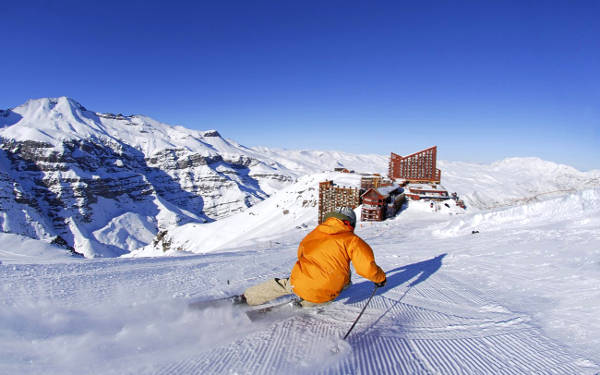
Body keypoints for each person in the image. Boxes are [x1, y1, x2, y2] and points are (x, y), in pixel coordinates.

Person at [238, 207, 386, 308]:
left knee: (284, 284)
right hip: (327, 290)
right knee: (334, 285)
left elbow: (301, 255)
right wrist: (380, 279)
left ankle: (246, 298)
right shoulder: (353, 241)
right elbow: (366, 267)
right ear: (350, 223)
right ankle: (302, 305)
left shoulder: (313, 234)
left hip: (300, 282)